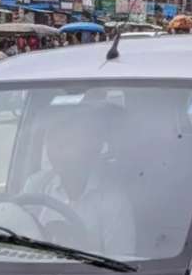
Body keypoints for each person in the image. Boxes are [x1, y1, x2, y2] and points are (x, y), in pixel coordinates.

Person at [24, 103, 136, 256]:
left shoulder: (112, 199)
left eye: (68, 142)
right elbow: (19, 239)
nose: (57, 150)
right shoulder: (36, 185)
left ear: (91, 148)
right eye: (52, 139)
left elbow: (122, 260)